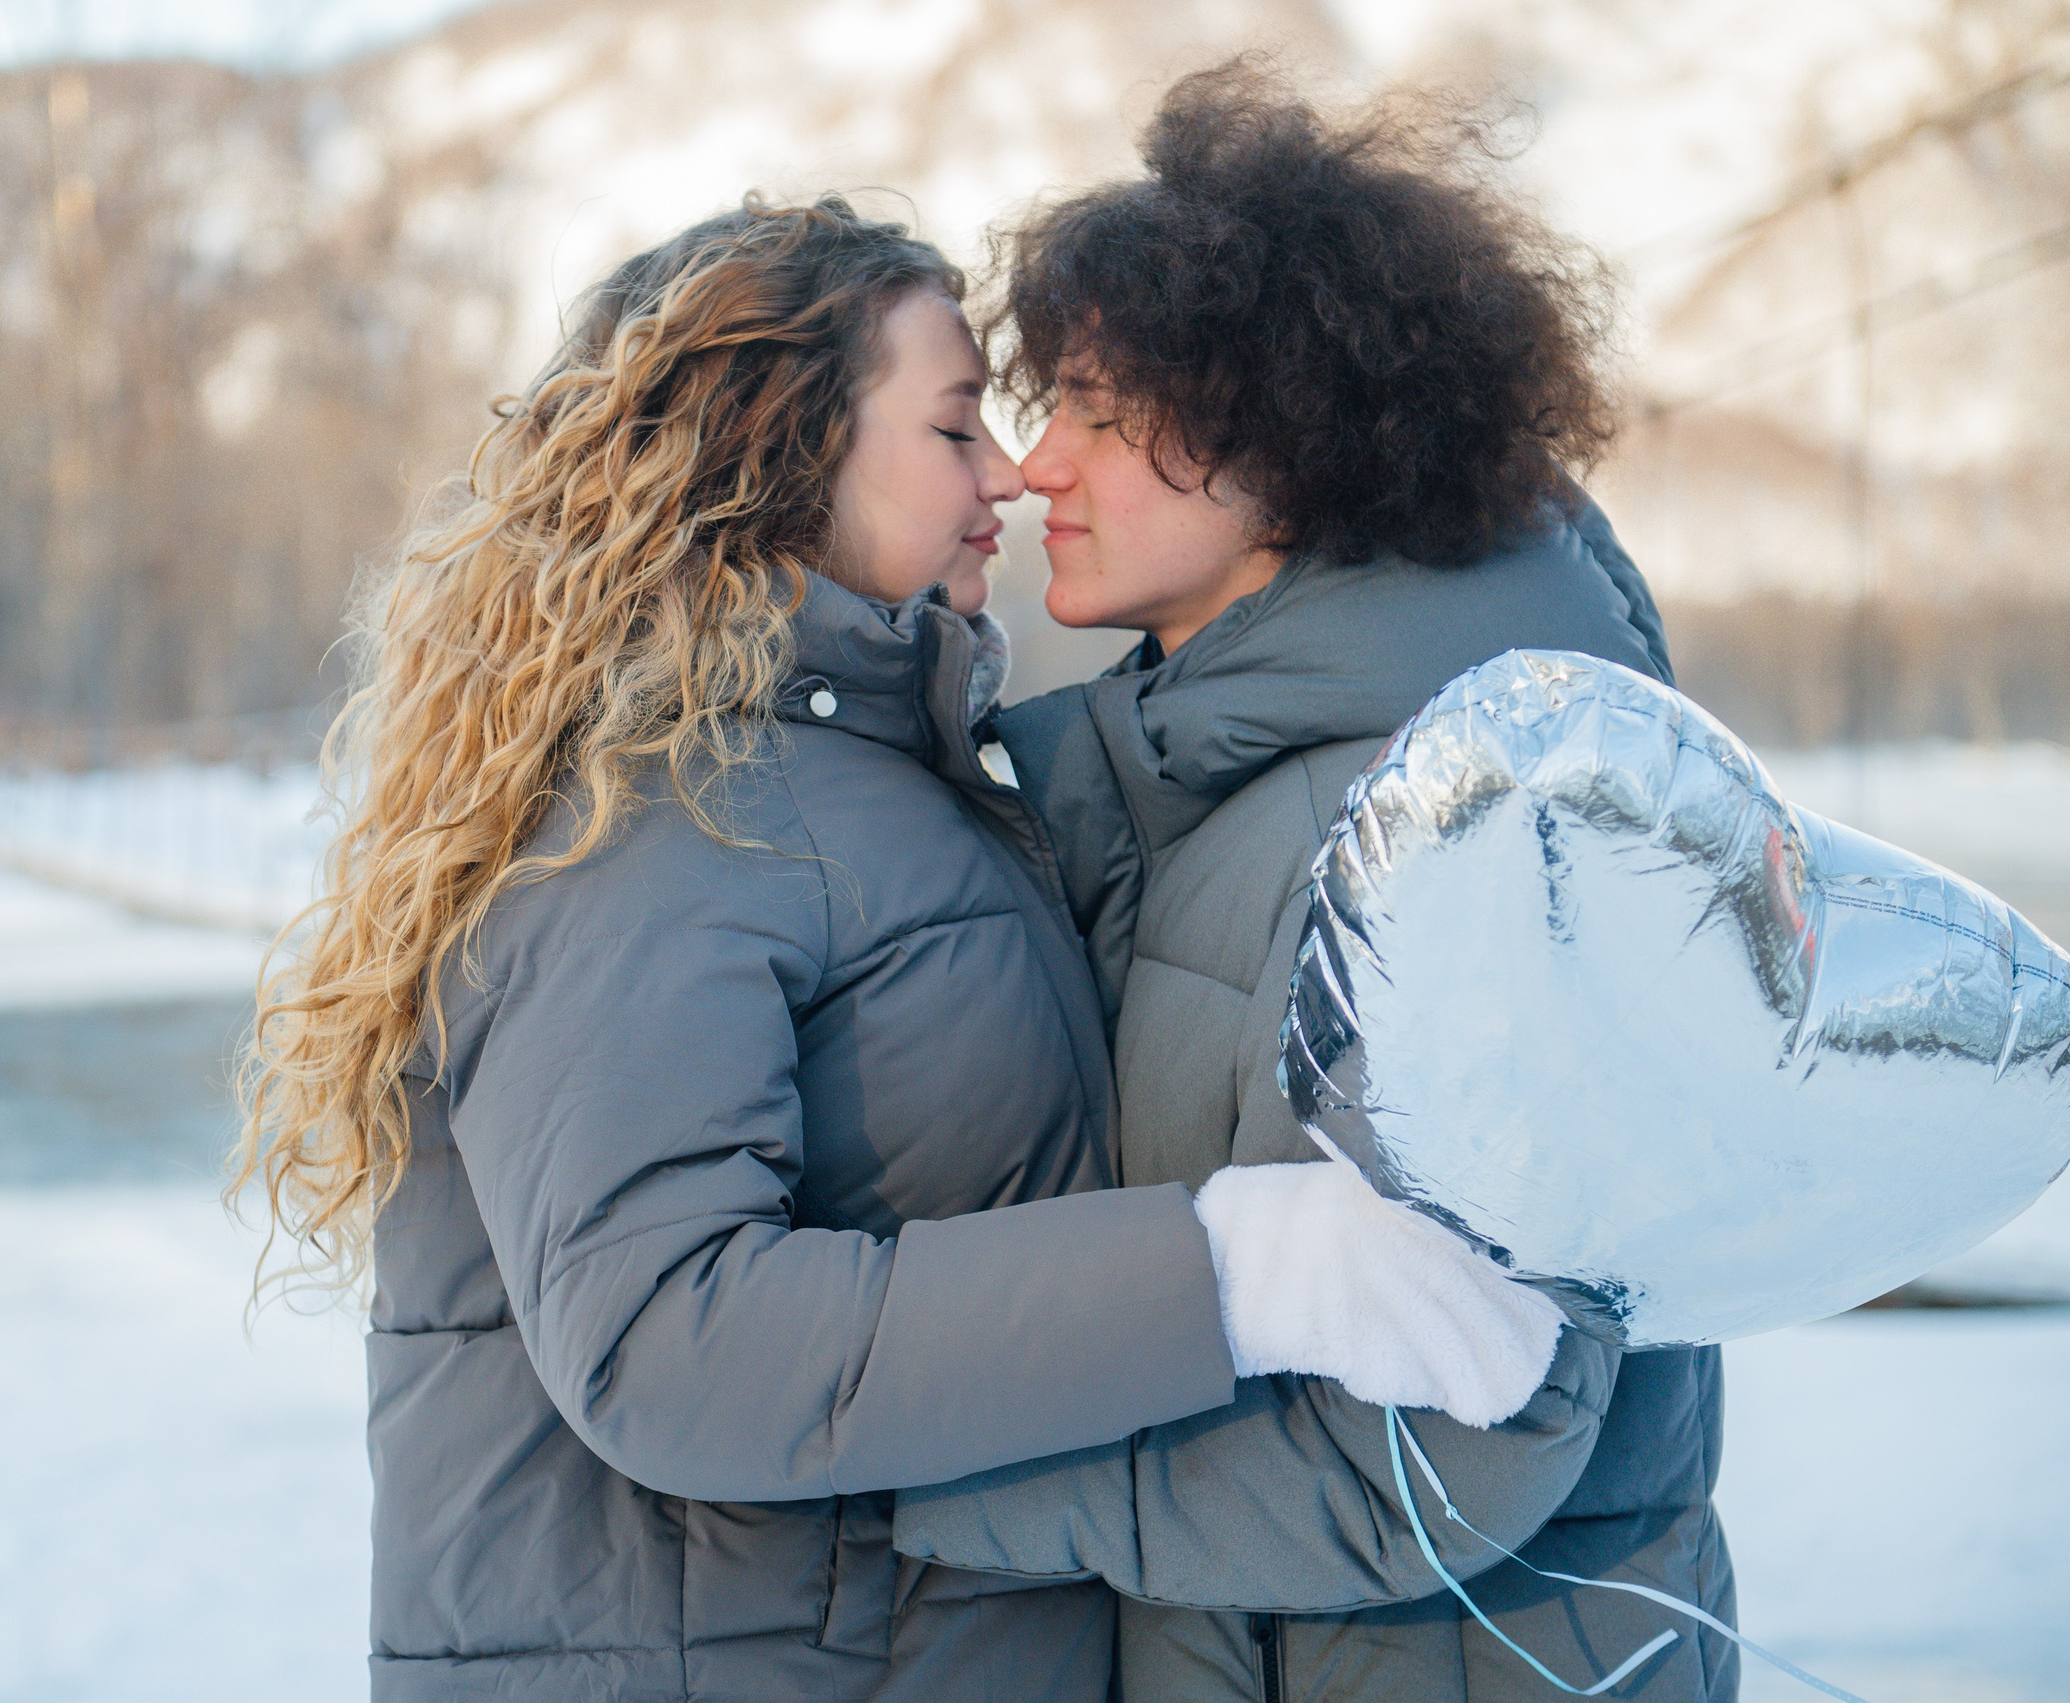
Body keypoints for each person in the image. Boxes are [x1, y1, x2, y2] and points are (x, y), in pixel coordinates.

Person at [234, 195, 1558, 1702]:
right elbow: (667, 1339)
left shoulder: (872, 782)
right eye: (953, 431)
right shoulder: (657, 814)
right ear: (777, 447)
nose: (1006, 475)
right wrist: (1235, 1271)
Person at [890, 63, 1735, 1703]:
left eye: (1096, 408)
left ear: (1291, 431)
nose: (1033, 465)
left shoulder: (1471, 824)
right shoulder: (1200, 782)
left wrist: (912, 1492)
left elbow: (1442, 1455)